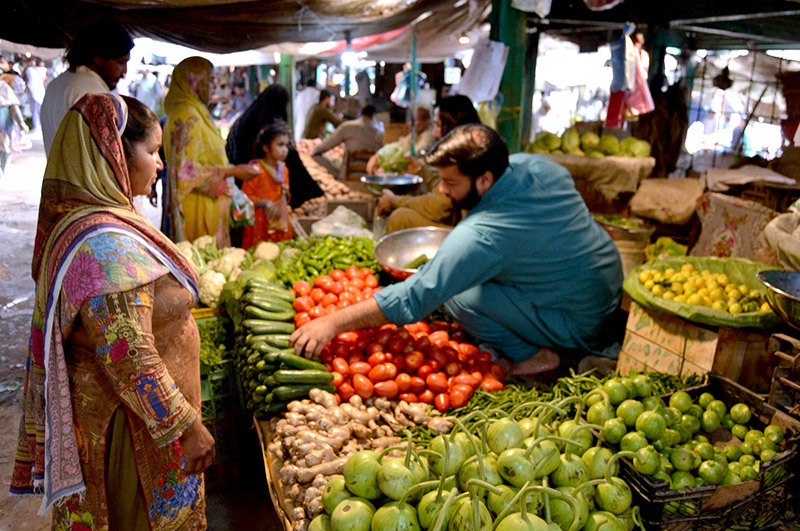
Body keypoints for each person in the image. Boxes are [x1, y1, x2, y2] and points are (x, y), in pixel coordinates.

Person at [10, 93, 214, 529]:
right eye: (153, 151)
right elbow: (131, 354)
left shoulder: (93, 221)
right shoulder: (105, 245)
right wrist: (186, 428)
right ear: (114, 154)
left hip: (128, 419)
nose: (159, 164)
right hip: (132, 432)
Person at [292, 124, 623, 375]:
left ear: (485, 180)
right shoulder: (538, 166)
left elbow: (413, 298)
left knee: (459, 295)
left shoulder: (483, 235)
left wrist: (331, 324)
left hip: (580, 322)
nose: (441, 189)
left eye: (450, 183)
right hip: (607, 288)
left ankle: (535, 357)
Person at [162, 56, 259, 246]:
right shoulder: (187, 114)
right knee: (202, 259)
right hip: (196, 208)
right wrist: (233, 171)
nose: (213, 86)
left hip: (206, 204)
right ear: (194, 81)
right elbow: (185, 171)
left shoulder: (195, 110)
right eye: (209, 80)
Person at [377, 95, 481, 233]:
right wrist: (421, 169)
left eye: (438, 126)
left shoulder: (468, 154)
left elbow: (442, 207)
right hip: (462, 224)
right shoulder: (464, 149)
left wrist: (395, 200)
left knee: (400, 218)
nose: (436, 134)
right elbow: (443, 190)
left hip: (467, 232)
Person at [40, 18, 134, 155]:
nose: (124, 72)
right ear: (99, 58)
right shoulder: (95, 96)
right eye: (120, 62)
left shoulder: (56, 85)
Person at [226, 84, 323, 212]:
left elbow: (230, 148)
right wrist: (313, 190)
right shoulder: (276, 125)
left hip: (239, 177)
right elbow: (294, 160)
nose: (284, 150)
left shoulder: (243, 119)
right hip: (261, 193)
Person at [242, 120, 293, 248]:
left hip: (279, 220)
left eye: (286, 145)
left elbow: (287, 198)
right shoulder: (255, 170)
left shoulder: (283, 170)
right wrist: (264, 203)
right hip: (261, 222)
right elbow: (245, 197)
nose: (284, 150)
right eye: (280, 145)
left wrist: (286, 193)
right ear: (266, 147)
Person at [311, 104, 383, 179]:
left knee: (316, 157)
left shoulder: (347, 126)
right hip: (370, 176)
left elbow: (325, 146)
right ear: (373, 116)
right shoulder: (379, 133)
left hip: (347, 175)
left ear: (361, 114)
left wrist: (314, 151)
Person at [366, 105, 435, 174]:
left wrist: (393, 158)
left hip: (421, 173)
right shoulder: (414, 134)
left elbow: (415, 152)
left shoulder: (429, 135)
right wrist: (377, 155)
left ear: (427, 121)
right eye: (411, 120)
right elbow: (398, 145)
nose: (411, 123)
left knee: (382, 172)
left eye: (415, 120)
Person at [0, 79, 29, 178]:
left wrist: (21, 122)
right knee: (5, 151)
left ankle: (2, 172)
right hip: (5, 127)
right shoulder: (4, 87)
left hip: (5, 127)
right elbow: (14, 107)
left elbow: (14, 107)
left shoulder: (4, 87)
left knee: (6, 150)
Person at [23, 57, 45, 131]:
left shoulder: (35, 70)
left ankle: (38, 125)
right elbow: (31, 81)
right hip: (33, 92)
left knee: (37, 110)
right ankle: (36, 125)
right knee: (34, 110)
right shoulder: (29, 70)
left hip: (37, 91)